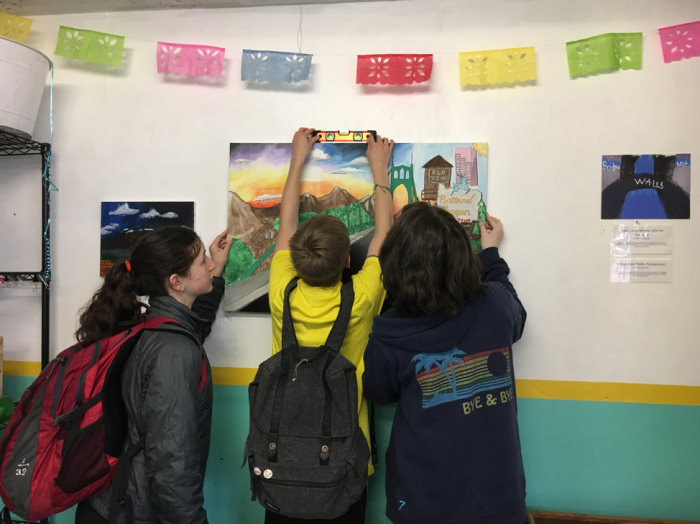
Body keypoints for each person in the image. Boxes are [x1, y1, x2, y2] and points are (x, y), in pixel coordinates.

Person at [363, 204, 527, 524]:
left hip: (422, 502)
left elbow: (379, 391)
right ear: (465, 258)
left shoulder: (389, 333)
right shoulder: (495, 304)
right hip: (501, 500)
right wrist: (490, 253)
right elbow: (516, 315)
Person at [265, 127, 394, 523]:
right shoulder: (362, 299)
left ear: (296, 257)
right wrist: (380, 171)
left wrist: (296, 159)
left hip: (281, 462)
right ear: (348, 262)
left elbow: (285, 223)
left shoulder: (280, 288)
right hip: (343, 463)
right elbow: (384, 235)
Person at [73, 226, 233, 524]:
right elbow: (173, 462)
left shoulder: (153, 326)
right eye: (202, 260)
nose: (210, 263)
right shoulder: (174, 351)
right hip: (131, 510)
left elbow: (193, 326)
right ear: (176, 281)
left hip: (111, 503)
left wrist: (217, 271)